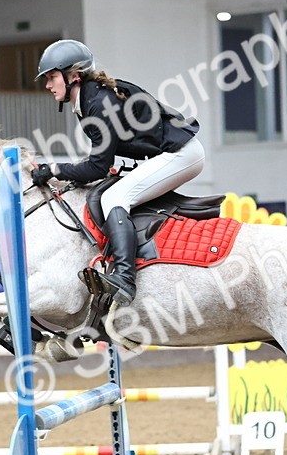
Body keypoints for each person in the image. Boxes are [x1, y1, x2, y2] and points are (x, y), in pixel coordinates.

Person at [30, 39, 204, 306]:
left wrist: (55, 169)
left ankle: (124, 277)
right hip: (169, 153)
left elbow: (96, 166)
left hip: (181, 155)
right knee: (110, 192)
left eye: (52, 77)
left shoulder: (98, 103)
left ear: (73, 75)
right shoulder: (88, 98)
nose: (47, 85)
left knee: (113, 198)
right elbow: (100, 161)